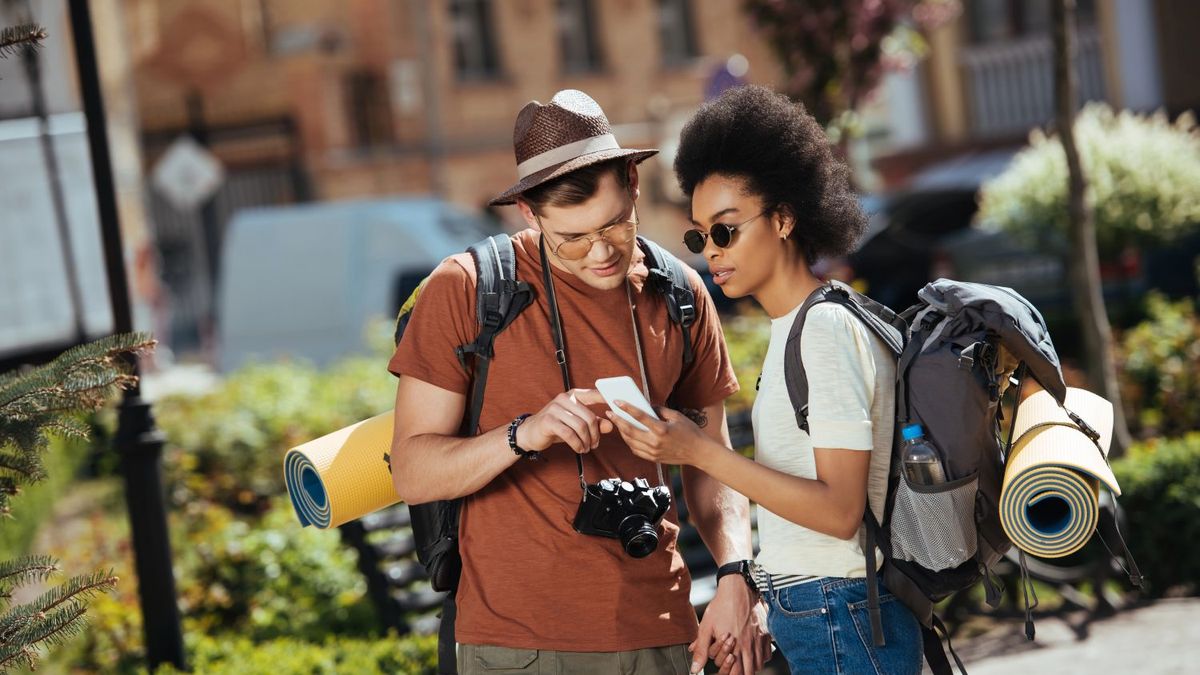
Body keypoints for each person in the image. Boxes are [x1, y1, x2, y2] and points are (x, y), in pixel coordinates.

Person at [388, 89, 770, 675]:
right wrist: (526, 434)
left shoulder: (682, 295)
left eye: (615, 225)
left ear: (633, 184)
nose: (600, 253)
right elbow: (414, 472)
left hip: (662, 635)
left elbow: (713, 464)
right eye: (572, 238)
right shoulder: (466, 290)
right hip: (518, 646)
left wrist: (735, 576)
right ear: (529, 215)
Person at [606, 84, 924, 675]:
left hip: (842, 615)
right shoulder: (796, 326)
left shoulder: (825, 330)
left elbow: (839, 511)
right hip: (820, 614)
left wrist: (698, 452)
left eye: (726, 229)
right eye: (700, 236)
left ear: (782, 218)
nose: (711, 252)